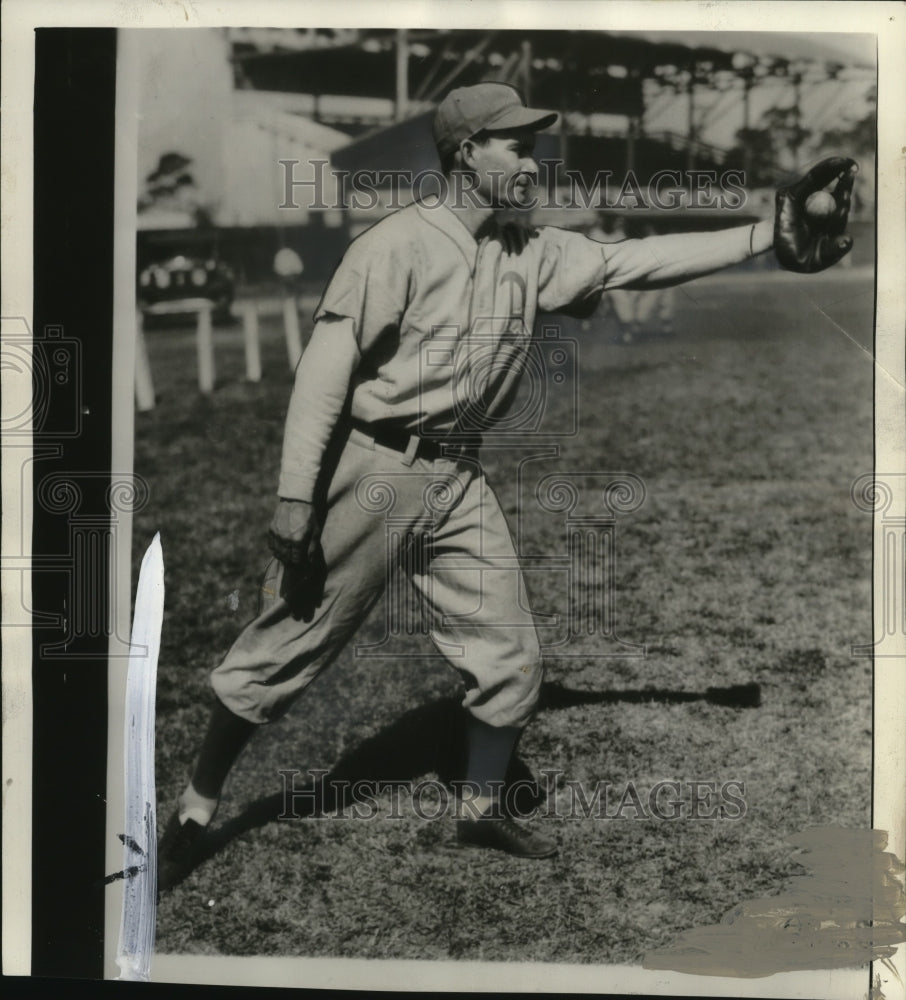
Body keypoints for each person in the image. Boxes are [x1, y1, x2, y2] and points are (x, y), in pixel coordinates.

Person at [158, 82, 855, 888]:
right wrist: (293, 499)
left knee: (510, 652)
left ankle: (480, 809)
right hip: (374, 468)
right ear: (466, 154)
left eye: (533, 145)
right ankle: (197, 807)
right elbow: (323, 372)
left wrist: (769, 230)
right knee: (289, 643)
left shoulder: (530, 249)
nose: (533, 160)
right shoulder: (395, 245)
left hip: (457, 476)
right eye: (516, 146)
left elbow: (639, 260)